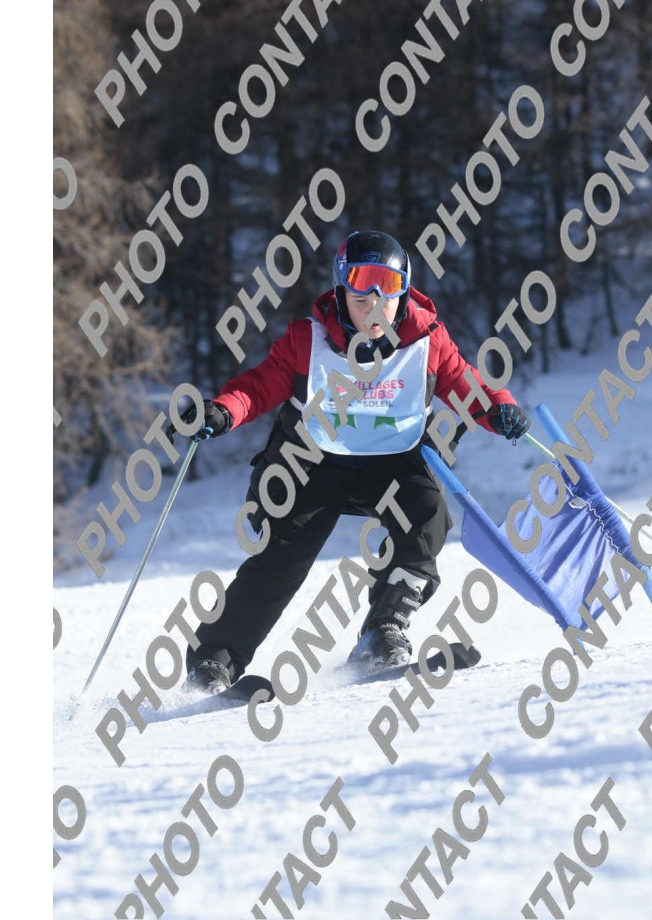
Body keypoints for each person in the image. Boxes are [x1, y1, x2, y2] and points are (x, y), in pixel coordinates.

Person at [170, 230, 530, 695]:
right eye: (362, 295)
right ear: (341, 293)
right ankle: (214, 661)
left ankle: (383, 631)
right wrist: (222, 411)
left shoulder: (427, 340)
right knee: (283, 556)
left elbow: (468, 386)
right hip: (312, 461)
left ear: (403, 294)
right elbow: (259, 386)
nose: (374, 308)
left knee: (426, 516)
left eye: (386, 294)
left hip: (393, 462)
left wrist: (500, 410)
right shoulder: (308, 339)